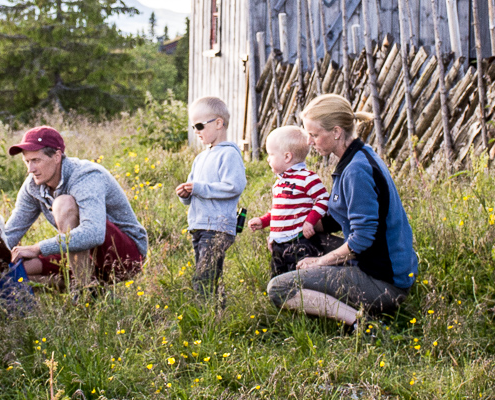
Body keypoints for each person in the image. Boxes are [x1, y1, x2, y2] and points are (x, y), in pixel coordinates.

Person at [265, 94, 419, 332]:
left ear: (336, 132)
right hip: (378, 263)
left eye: (314, 135)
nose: (309, 141)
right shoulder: (357, 157)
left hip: (384, 281)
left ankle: (361, 324)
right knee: (301, 243)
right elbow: (337, 218)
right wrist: (287, 230)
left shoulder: (356, 170)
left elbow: (362, 238)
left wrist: (320, 262)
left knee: (279, 289)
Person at [2, 126, 150, 290]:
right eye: (27, 162)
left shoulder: (86, 176)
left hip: (125, 258)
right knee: (13, 274)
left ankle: (86, 293)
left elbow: (93, 233)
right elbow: (11, 233)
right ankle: (93, 293)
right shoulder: (33, 186)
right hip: (80, 258)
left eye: (36, 160)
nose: (30, 169)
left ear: (57, 156)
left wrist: (38, 248)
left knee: (63, 204)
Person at [247, 125, 340, 279]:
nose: (268, 159)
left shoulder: (307, 177)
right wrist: (263, 221)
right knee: (278, 280)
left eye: (271, 154)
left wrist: (310, 222)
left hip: (298, 242)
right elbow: (280, 211)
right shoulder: (280, 182)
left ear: (287, 157)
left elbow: (323, 199)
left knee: (299, 279)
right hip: (278, 244)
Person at [177, 96, 247, 295]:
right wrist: (185, 194)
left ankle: (205, 317)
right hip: (199, 225)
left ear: (218, 123)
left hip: (217, 226)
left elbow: (234, 186)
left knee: (204, 278)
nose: (197, 132)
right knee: (207, 275)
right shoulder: (200, 158)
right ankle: (215, 311)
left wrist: (199, 188)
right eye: (194, 127)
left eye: (200, 126)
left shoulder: (229, 154)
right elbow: (195, 191)